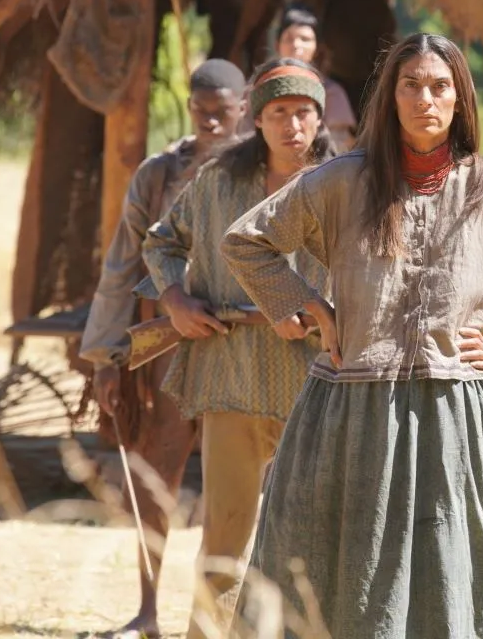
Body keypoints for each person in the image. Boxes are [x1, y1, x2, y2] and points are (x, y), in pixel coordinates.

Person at [220, 32, 483, 638]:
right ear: (390, 97)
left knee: (450, 573)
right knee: (348, 577)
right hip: (354, 414)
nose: (425, 99)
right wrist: (313, 308)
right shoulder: (342, 180)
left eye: (440, 86)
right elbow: (247, 243)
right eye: (410, 85)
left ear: (460, 99)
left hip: (453, 415)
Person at [141, 57, 335, 639]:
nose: (292, 125)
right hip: (233, 374)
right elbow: (161, 243)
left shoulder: (349, 186)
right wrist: (175, 299)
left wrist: (326, 315)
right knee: (225, 535)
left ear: (320, 117)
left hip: (322, 381)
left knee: (313, 536)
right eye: (279, 113)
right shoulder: (218, 182)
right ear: (257, 119)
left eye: (303, 112)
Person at [78, 59, 247, 639]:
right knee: (155, 475)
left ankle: (233, 618)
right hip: (172, 345)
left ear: (243, 109)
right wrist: (106, 356)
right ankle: (147, 611)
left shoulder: (268, 170)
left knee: (242, 489)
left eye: (222, 112)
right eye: (201, 111)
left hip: (247, 349)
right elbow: (121, 267)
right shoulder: (157, 175)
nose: (211, 122)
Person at [273, 2, 358, 151]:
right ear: (277, 45)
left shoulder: (331, 92)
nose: (296, 45)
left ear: (317, 47)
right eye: (289, 38)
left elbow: (339, 147)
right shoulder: (259, 87)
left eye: (305, 39)